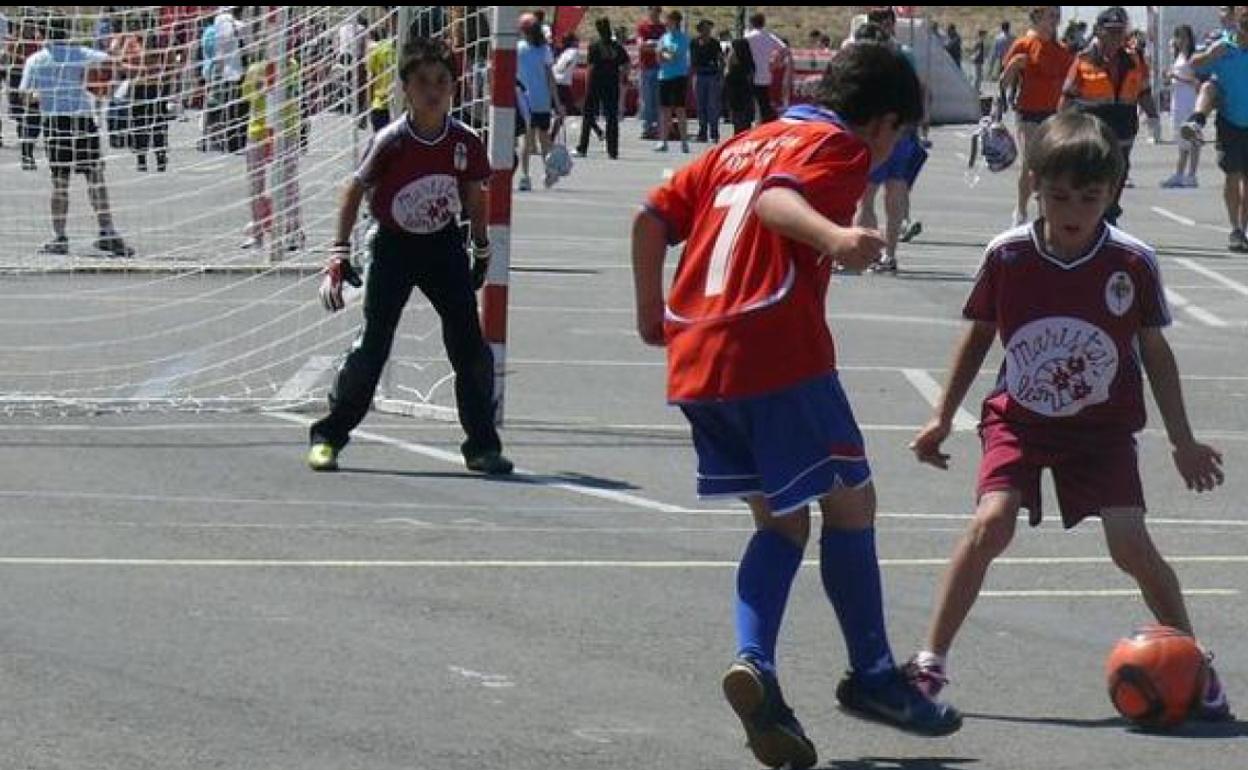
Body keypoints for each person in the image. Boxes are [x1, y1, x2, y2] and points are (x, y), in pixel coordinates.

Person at [631, 42, 962, 770]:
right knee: (853, 503)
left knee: (782, 524)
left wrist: (650, 309)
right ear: (881, 124)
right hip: (775, 352)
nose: (888, 153)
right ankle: (874, 675)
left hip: (698, 358)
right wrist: (834, 234)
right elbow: (781, 200)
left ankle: (756, 666)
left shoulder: (740, 143)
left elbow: (651, 216)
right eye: (898, 138)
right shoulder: (836, 144)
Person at [905, 110, 1232, 724]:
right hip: (1020, 419)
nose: (1073, 209)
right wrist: (941, 416)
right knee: (990, 524)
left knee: (1130, 545)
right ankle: (928, 664)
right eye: (1058, 195)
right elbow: (977, 338)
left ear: (1112, 193)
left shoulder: (1131, 262)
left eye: (1089, 196)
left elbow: (1154, 353)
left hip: (1102, 430)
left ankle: (1195, 664)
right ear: (1034, 186)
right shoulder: (1008, 256)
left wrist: (1182, 440)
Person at [308, 37, 513, 477]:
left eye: (442, 82)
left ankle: (481, 446)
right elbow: (353, 190)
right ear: (405, 89)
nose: (433, 91)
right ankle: (328, 436)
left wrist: (480, 245)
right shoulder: (392, 140)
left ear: (454, 89)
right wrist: (339, 252)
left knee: (470, 347)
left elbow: (474, 195)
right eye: (423, 82)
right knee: (373, 346)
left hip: (442, 245)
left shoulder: (465, 141)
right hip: (393, 246)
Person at [18, 14, 134, 258]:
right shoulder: (82, 54)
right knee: (95, 178)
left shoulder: (35, 60)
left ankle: (59, 237)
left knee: (60, 182)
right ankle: (107, 232)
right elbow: (117, 64)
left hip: (55, 123)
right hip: (82, 121)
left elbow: (25, 97)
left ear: (40, 33)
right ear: (68, 31)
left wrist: (45, 96)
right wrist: (99, 84)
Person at [1059, 6, 1160, 226]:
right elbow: (1067, 97)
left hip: (1123, 127)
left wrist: (1153, 118)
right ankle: (1089, 216)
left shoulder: (1135, 60)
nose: (1116, 36)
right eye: (1111, 31)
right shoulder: (1083, 59)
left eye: (1120, 31)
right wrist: (1058, 127)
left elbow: (1144, 92)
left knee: (1119, 172)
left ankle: (1109, 215)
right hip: (1091, 130)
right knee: (1091, 174)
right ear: (1098, 31)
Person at [852, 15, 928, 273]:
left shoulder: (867, 64)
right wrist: (915, 122)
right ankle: (889, 254)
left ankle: (871, 253)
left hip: (878, 132)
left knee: (869, 196)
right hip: (900, 130)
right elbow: (920, 91)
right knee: (892, 193)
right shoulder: (903, 57)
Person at [999, 6, 1073, 225]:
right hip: (1029, 112)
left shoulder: (1062, 50)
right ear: (1038, 17)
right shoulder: (1023, 45)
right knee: (1030, 163)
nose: (1055, 20)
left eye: (1057, 16)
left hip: (1054, 113)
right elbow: (1003, 83)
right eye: (1051, 15)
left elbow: (1071, 84)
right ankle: (1021, 210)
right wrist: (1013, 66)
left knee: (1050, 166)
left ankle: (1044, 212)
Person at [1187, 7, 1248, 252]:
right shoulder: (1222, 44)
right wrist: (1211, 56)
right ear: (1236, 20)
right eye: (1244, 19)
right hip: (1229, 121)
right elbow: (1193, 65)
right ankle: (1236, 229)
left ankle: (1243, 228)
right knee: (1232, 175)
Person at [239, 47, 304, 252]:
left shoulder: (292, 66)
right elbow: (248, 96)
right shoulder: (255, 68)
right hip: (258, 129)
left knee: (288, 181)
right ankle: (258, 230)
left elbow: (294, 93)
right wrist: (262, 86)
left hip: (285, 129)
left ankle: (293, 231)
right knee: (256, 183)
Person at [515, 13, 562, 191]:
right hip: (542, 100)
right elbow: (550, 78)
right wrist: (557, 103)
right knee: (544, 141)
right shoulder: (545, 50)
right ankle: (549, 172)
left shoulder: (518, 48)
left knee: (525, 142)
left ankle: (525, 176)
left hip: (523, 101)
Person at [577, 17, 626, 159]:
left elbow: (590, 68)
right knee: (611, 118)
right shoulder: (617, 47)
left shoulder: (594, 46)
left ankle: (582, 148)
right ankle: (613, 150)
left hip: (595, 84)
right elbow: (626, 64)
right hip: (611, 84)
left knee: (588, 116)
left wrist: (586, 86)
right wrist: (621, 76)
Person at [1162, 25, 1201, 189]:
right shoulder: (1177, 56)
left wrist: (1177, 76)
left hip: (1190, 98)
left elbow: (1197, 81)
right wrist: (1169, 77)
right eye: (1178, 37)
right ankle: (1179, 173)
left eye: (1184, 37)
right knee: (1180, 136)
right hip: (1177, 98)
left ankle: (1191, 174)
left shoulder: (1195, 55)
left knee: (1192, 135)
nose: (1181, 40)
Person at [7, 15, 42, 170]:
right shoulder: (15, 42)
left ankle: (27, 146)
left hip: (33, 80)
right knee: (22, 115)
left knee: (34, 116)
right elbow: (9, 60)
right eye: (26, 27)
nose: (29, 30)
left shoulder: (37, 43)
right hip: (17, 78)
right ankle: (25, 150)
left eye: (31, 27)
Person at [654, 9, 689, 153]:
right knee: (664, 110)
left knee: (680, 109)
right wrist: (663, 54)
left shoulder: (683, 38)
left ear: (675, 21)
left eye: (669, 20)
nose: (666, 22)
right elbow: (658, 57)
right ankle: (663, 141)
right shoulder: (664, 37)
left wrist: (664, 53)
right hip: (664, 76)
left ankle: (684, 142)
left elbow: (674, 56)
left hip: (679, 76)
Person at [744, 12, 786, 124]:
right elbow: (784, 48)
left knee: (751, 100)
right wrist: (777, 62)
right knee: (764, 100)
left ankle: (755, 122)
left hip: (751, 73)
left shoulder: (748, 37)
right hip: (765, 72)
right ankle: (764, 122)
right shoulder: (769, 36)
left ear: (752, 23)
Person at [635, 6, 665, 140]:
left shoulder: (664, 28)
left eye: (659, 10)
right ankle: (647, 128)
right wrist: (655, 46)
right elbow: (641, 46)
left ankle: (659, 128)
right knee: (646, 99)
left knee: (659, 99)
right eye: (654, 9)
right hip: (646, 67)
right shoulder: (643, 27)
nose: (657, 12)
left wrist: (651, 45)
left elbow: (666, 47)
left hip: (660, 67)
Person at [691, 18, 723, 143]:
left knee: (713, 105)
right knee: (700, 105)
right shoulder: (694, 43)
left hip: (712, 75)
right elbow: (693, 60)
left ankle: (714, 132)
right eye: (705, 28)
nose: (707, 31)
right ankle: (702, 131)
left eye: (709, 28)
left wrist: (720, 74)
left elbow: (720, 59)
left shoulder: (715, 43)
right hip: (699, 75)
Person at [366, 21, 396, 133]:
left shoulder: (377, 49)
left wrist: (368, 106)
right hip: (383, 105)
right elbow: (371, 79)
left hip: (384, 105)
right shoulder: (378, 49)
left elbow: (370, 79)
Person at [550, 32, 580, 140]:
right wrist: (564, 68)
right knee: (564, 111)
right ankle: (552, 136)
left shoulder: (564, 51)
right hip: (562, 83)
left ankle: (551, 135)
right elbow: (568, 61)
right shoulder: (573, 51)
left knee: (563, 109)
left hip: (556, 80)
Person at [723, 36, 755, 135]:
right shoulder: (749, 66)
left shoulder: (733, 69)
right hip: (746, 100)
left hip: (737, 102)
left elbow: (727, 77)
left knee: (738, 125)